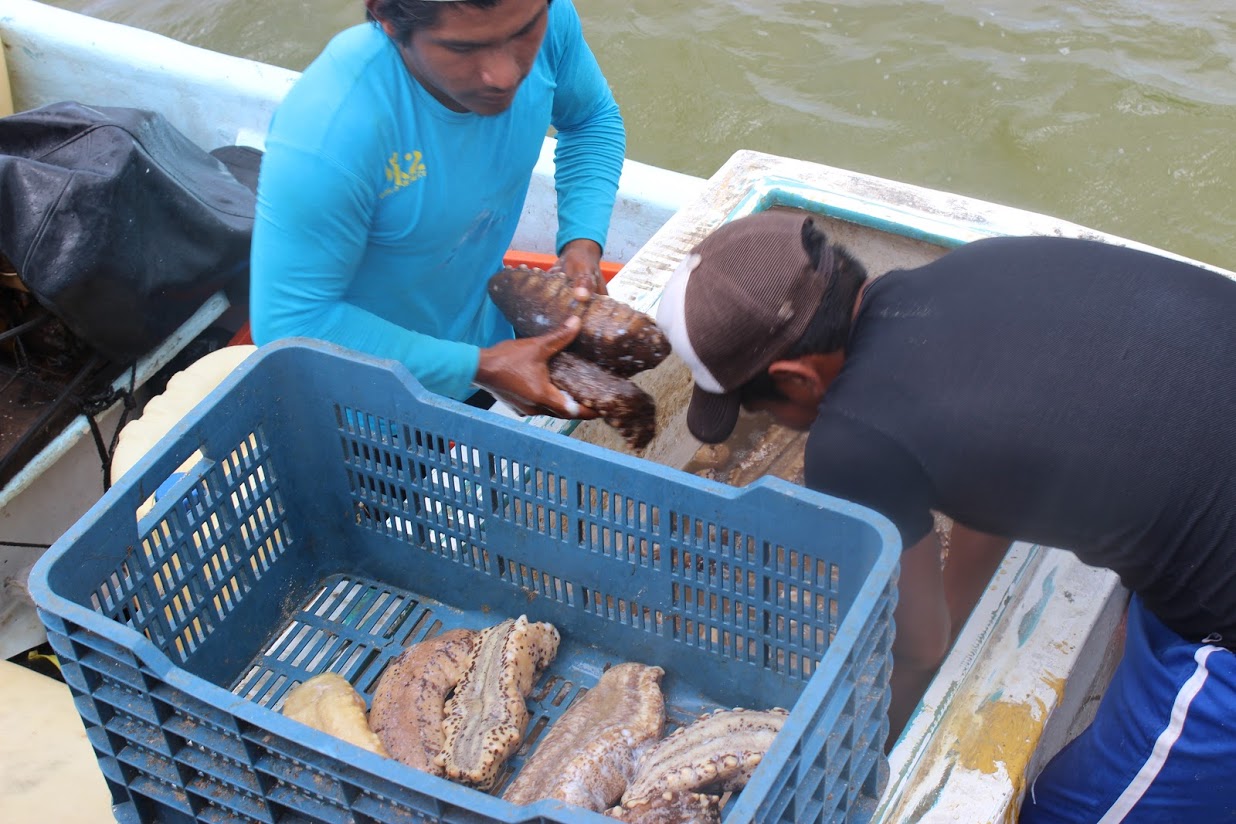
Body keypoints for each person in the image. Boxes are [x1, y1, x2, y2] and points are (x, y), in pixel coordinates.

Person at [655, 209, 1236, 823]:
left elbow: (920, 645)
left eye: (760, 410)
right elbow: (1000, 489)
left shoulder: (852, 440)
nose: (773, 423)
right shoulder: (983, 264)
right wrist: (949, 621)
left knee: (1059, 813)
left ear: (797, 379)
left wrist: (872, 754)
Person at [250, 0, 624, 418]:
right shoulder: (330, 128)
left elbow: (591, 118)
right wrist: (479, 367)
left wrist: (582, 243)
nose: (504, 75)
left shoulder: (545, 16)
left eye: (523, 33)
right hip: (363, 410)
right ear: (387, 19)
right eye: (464, 49)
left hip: (493, 353)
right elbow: (293, 325)